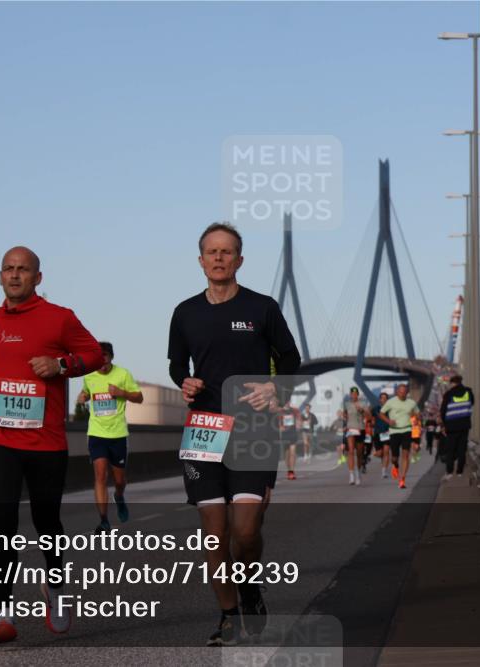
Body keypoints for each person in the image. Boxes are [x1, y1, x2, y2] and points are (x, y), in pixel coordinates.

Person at [168, 222, 301, 646]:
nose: (220, 258)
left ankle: (249, 587)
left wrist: (274, 386)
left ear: (239, 260)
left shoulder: (262, 308)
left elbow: (292, 359)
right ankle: (228, 615)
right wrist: (183, 382)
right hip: (204, 429)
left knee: (246, 531)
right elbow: (177, 364)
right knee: (213, 531)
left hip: (252, 428)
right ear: (201, 260)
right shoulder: (185, 312)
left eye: (228, 252)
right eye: (212, 252)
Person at [0, 246, 103, 643]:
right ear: (0, 275)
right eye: (8, 268)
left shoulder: (60, 318)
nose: (14, 275)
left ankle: (55, 591)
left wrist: (61, 365)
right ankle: (3, 614)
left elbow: (93, 354)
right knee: (3, 519)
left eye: (23, 270)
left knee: (47, 523)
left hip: (46, 439)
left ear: (38, 278)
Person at [79, 341, 143, 533]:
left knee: (119, 481)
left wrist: (121, 393)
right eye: (98, 357)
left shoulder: (123, 374)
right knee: (100, 475)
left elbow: (139, 398)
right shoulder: (89, 376)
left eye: (105, 356)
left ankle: (120, 496)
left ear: (111, 357)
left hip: (118, 434)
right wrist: (82, 397)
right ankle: (104, 520)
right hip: (97, 433)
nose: (102, 361)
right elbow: (86, 392)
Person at [378, 383, 419, 489]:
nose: (402, 394)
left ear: (407, 393)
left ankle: (402, 479)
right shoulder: (390, 402)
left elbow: (418, 415)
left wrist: (415, 416)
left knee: (405, 454)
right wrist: (388, 421)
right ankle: (395, 466)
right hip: (394, 431)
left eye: (404, 392)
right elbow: (381, 413)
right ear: (397, 392)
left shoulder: (412, 403)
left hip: (407, 430)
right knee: (394, 458)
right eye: (400, 392)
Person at [440, 374, 475, 481]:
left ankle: (450, 472)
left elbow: (443, 411)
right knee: (462, 449)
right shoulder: (468, 392)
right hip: (464, 425)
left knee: (450, 450)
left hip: (451, 426)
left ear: (452, 383)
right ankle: (460, 472)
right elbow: (472, 403)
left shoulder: (448, 394)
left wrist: (444, 425)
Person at [342, 387, 369, 486]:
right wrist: (346, 422)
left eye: (355, 394)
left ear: (358, 394)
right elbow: (345, 414)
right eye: (352, 394)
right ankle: (351, 475)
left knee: (359, 453)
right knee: (351, 451)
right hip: (350, 429)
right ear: (350, 394)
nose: (353, 395)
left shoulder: (363, 403)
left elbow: (369, 416)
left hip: (360, 429)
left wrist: (362, 410)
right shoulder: (347, 404)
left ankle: (358, 473)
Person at [277, 401, 301, 480]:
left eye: (288, 400)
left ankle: (292, 471)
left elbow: (298, 419)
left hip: (293, 433)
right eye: (285, 401)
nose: (287, 402)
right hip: (285, 434)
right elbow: (277, 422)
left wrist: (298, 424)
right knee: (287, 454)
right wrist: (280, 427)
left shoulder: (294, 410)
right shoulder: (280, 411)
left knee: (293, 452)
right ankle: (289, 470)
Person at [372, 392, 391, 479]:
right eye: (382, 398)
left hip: (387, 432)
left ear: (387, 400)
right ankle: (374, 454)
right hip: (377, 432)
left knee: (386, 451)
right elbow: (371, 418)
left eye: (385, 398)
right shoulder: (376, 408)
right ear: (379, 399)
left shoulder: (391, 409)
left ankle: (384, 471)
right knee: (380, 453)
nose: (383, 399)